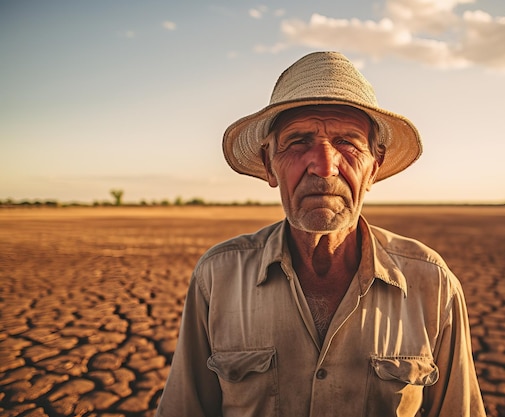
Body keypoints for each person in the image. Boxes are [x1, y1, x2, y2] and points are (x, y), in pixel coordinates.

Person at [156, 51, 486, 417]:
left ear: (373, 168)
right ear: (269, 165)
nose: (325, 166)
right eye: (298, 141)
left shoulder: (431, 282)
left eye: (348, 142)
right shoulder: (218, 276)